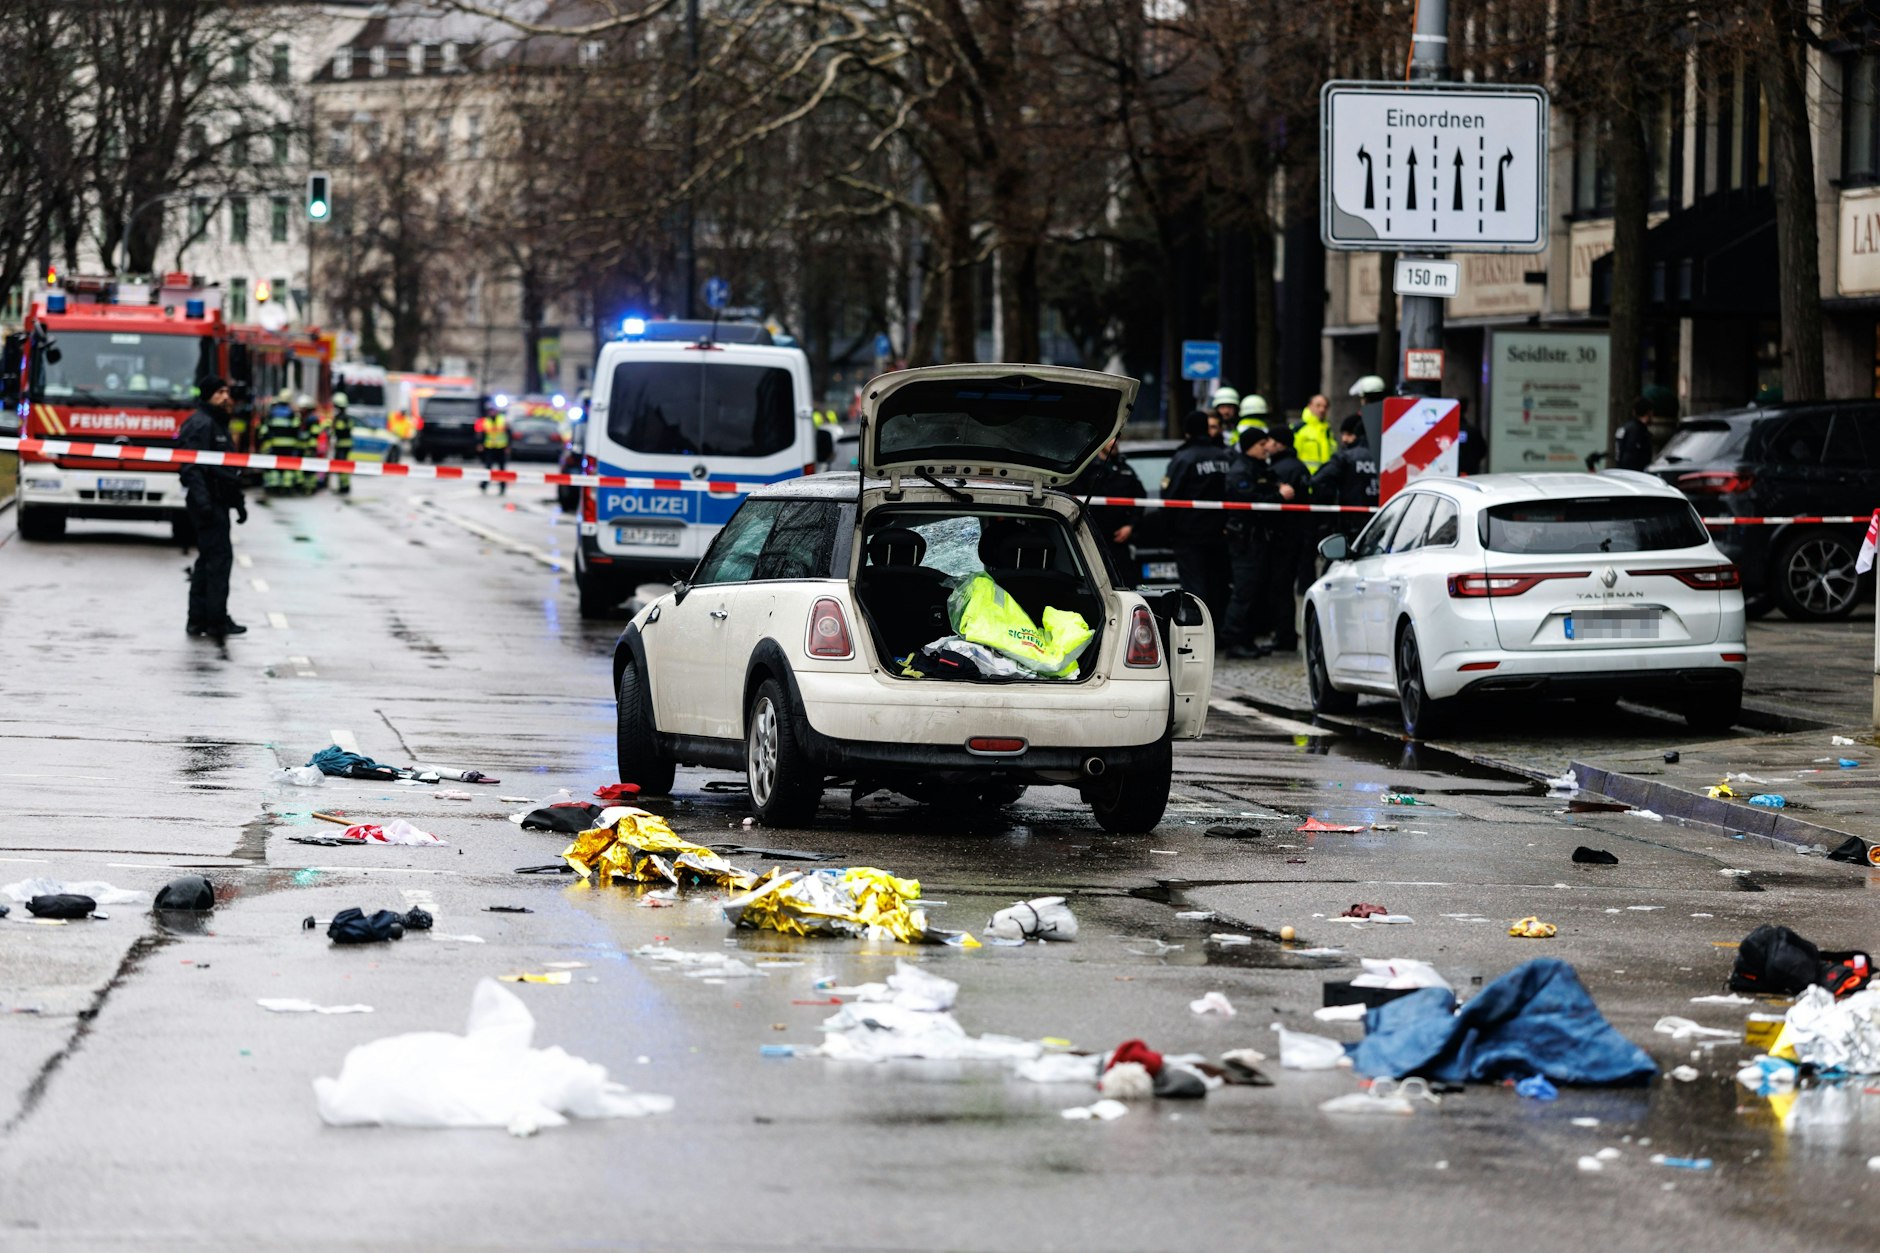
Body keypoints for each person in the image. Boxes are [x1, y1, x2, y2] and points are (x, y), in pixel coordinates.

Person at [176, 376, 247, 638]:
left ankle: (200, 620)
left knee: (209, 560)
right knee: (218, 561)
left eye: (227, 391)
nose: (226, 397)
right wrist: (203, 502)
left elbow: (227, 470)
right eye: (219, 392)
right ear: (208, 395)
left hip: (218, 502)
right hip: (208, 503)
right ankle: (215, 620)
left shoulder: (217, 423)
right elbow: (191, 467)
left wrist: (238, 503)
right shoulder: (200, 424)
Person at [1221, 427, 1295, 659]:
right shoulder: (1240, 472)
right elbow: (1252, 502)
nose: (1267, 448)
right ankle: (1234, 640)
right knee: (1244, 591)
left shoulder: (1258, 467)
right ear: (1250, 446)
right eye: (1262, 444)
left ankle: (1247, 640)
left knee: (1256, 592)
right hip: (1246, 540)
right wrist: (1280, 496)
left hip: (1259, 539)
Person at [1161, 410, 1238, 622]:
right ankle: (1219, 630)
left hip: (1190, 535)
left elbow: (1169, 497)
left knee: (1195, 588)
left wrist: (1167, 532)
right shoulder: (1224, 457)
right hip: (1220, 534)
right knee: (1219, 585)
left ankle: (1199, 630)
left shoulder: (1183, 458)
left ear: (1187, 431)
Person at [1262, 424, 1313, 652]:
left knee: (1280, 587)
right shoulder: (1299, 466)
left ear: (1279, 444)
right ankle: (1286, 634)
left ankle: (1284, 636)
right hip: (1298, 533)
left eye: (1270, 442)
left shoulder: (1279, 469)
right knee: (1287, 586)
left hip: (1282, 534)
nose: (1267, 446)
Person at [1070, 439, 1145, 584]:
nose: (1115, 442)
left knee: (1125, 580)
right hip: (1091, 536)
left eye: (1117, 438)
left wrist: (1130, 526)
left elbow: (1139, 499)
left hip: (1118, 536)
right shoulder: (1086, 469)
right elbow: (1073, 500)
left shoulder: (1125, 469)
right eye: (1111, 439)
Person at [1309, 415, 1379, 514]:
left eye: (1349, 434)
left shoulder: (1345, 457)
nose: (1344, 439)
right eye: (1343, 434)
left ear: (1358, 434)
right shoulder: (1384, 456)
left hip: (1350, 515)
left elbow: (1319, 479)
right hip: (1381, 516)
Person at [260, 387, 298, 492]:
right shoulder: (292, 413)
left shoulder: (273, 412)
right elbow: (296, 428)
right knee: (288, 465)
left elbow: (265, 428)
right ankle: (287, 485)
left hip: (275, 443)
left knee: (274, 464)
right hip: (289, 445)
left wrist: (265, 440)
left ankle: (274, 485)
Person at [1292, 392, 1334, 473]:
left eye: (1325, 407)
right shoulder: (1298, 429)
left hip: (1325, 477)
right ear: (1309, 406)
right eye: (1318, 405)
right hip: (1306, 476)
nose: (1322, 409)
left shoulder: (1328, 430)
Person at [476, 403, 511, 494]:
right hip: (489, 447)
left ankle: (502, 486)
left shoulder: (503, 420)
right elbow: (481, 434)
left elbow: (508, 433)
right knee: (488, 468)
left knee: (502, 469)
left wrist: (508, 446)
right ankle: (484, 484)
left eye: (493, 411)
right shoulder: (485, 421)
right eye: (490, 411)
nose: (492, 412)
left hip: (501, 448)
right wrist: (480, 444)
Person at [1614, 396, 1655, 471]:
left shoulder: (1625, 428)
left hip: (1621, 471)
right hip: (1634, 474)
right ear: (1649, 412)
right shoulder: (1640, 432)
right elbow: (1632, 458)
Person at [330, 391, 354, 495]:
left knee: (341, 466)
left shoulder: (339, 418)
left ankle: (343, 487)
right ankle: (345, 486)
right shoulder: (348, 417)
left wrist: (330, 427)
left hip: (341, 445)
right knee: (344, 466)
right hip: (347, 444)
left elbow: (337, 430)